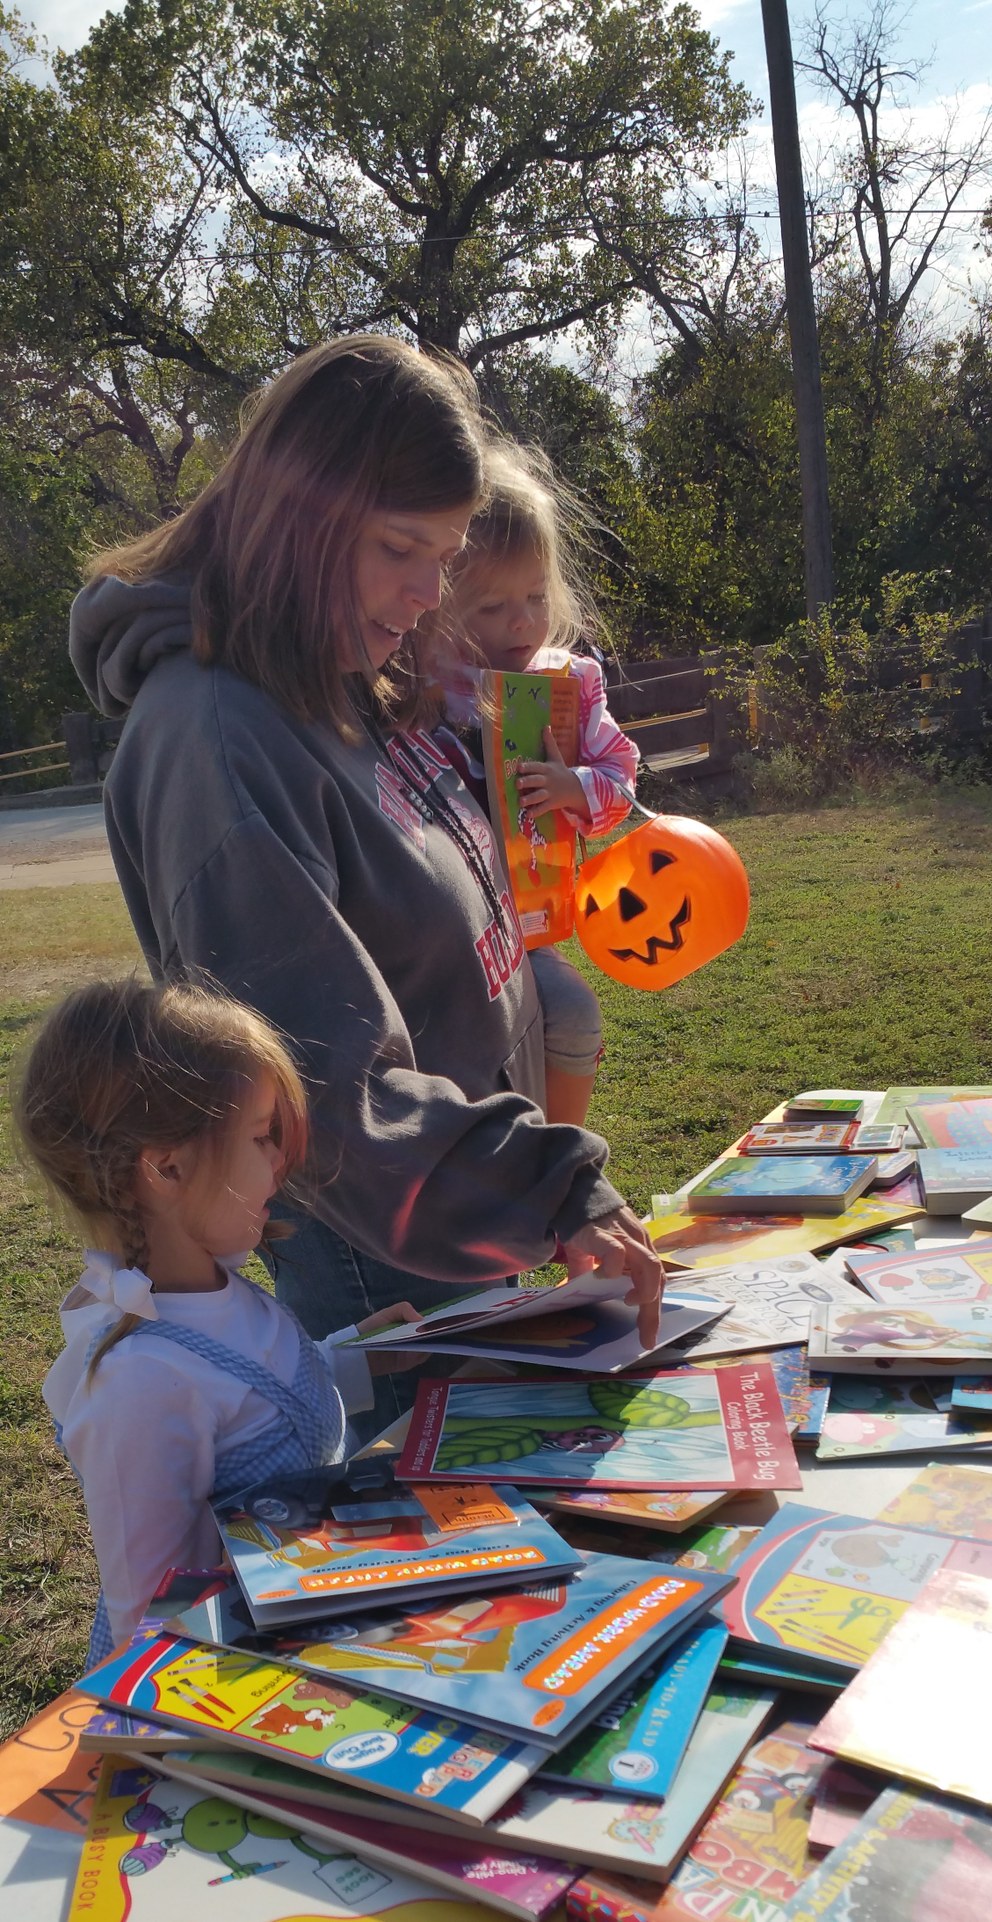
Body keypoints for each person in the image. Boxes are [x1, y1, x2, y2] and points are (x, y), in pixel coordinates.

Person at [67, 336, 663, 1384]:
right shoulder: (214, 737)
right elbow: (320, 1079)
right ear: (301, 516)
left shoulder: (336, 671)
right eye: (401, 548)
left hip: (460, 1224)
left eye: (445, 555)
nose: (428, 594)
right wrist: (551, 1184)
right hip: (382, 1260)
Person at [16, 978, 419, 1661]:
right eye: (262, 1138)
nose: (280, 1163)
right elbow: (153, 1616)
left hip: (319, 1614)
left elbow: (267, 1392)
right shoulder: (141, 1384)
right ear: (167, 1168)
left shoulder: (220, 1288)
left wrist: (357, 1354)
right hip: (235, 1677)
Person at [433, 441, 640, 1127]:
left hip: (528, 926)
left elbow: (621, 779)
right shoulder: (424, 692)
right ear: (441, 605)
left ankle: (565, 1161)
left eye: (535, 597)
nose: (521, 622)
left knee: (574, 1016)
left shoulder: (569, 688)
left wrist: (572, 785)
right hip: (446, 932)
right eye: (491, 608)